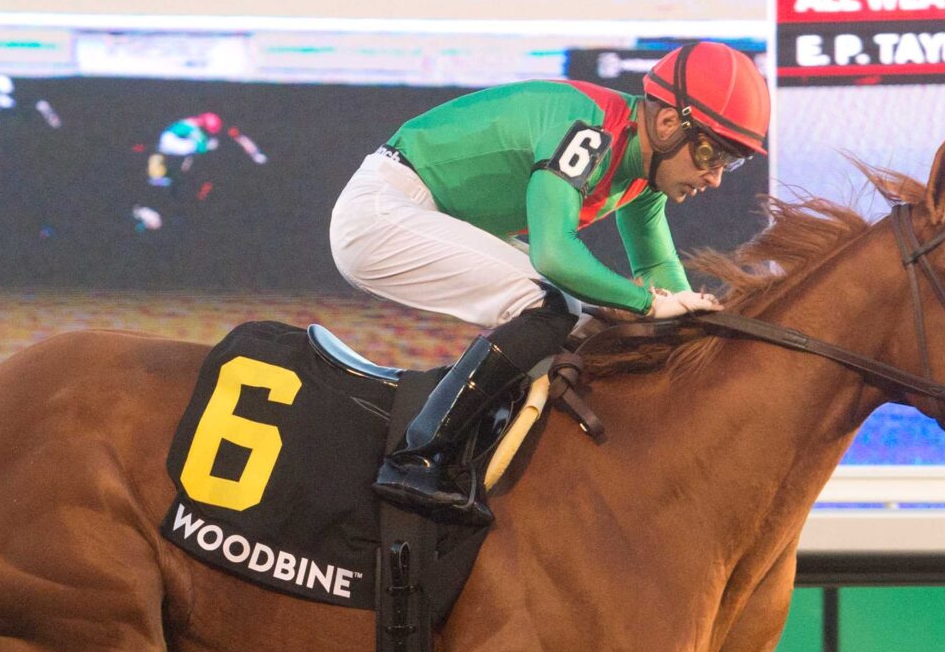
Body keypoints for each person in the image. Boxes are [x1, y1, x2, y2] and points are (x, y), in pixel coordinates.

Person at [329, 41, 768, 522]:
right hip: (382, 212)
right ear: (667, 124)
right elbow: (555, 254)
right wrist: (648, 304)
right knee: (552, 307)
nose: (716, 178)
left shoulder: (645, 175)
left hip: (419, 210)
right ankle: (416, 459)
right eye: (712, 153)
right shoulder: (591, 130)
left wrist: (695, 326)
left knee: (584, 322)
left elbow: (663, 280)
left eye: (731, 161)